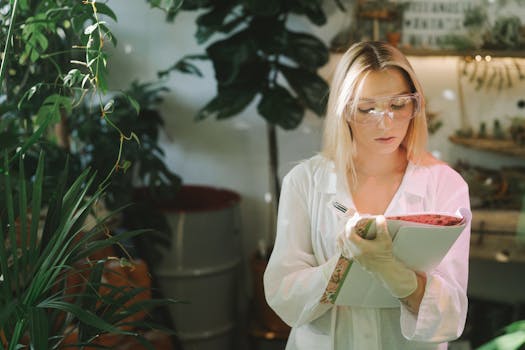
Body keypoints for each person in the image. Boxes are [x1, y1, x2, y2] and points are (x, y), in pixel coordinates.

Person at [263, 41, 471, 350]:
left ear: (416, 105)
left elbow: (451, 314)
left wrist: (392, 271)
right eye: (367, 109)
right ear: (344, 110)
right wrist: (342, 265)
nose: (385, 122)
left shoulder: (445, 185)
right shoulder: (304, 182)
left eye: (398, 105)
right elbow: (284, 296)